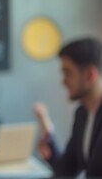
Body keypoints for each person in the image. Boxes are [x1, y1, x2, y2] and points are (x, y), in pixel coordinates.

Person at [34, 37, 102, 177]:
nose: (63, 81)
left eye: (68, 73)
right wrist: (49, 145)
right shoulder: (82, 113)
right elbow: (67, 170)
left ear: (90, 74)